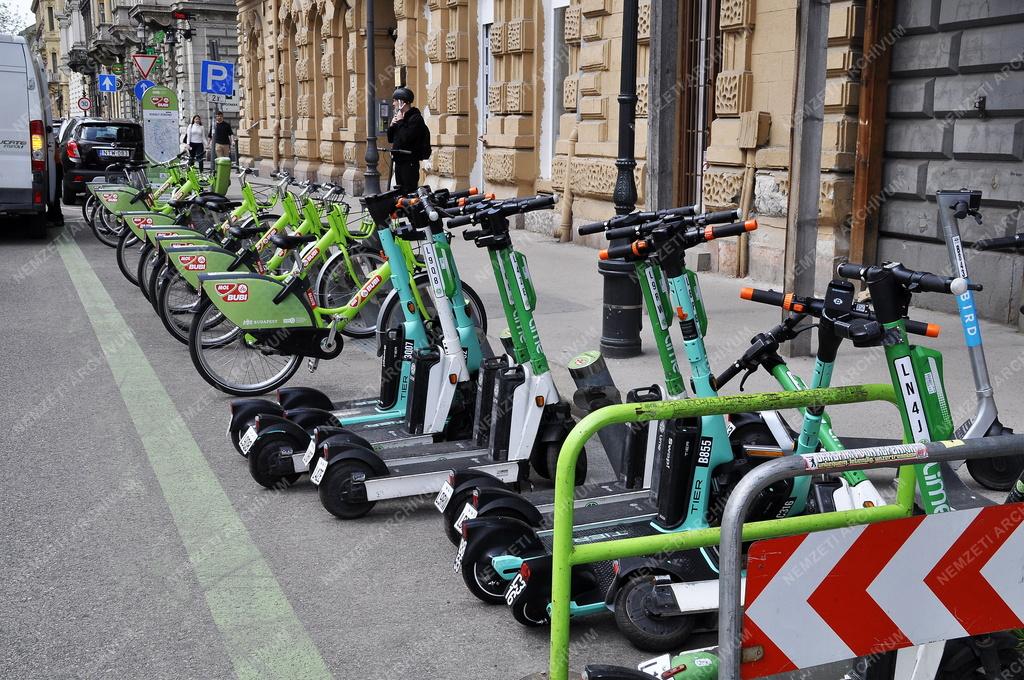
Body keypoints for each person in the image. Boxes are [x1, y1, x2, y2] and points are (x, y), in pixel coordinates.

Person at [386, 87, 430, 194]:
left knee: (409, 191)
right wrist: (392, 126)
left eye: (395, 100)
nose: (393, 103)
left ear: (402, 101)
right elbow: (391, 139)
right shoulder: (400, 117)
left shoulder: (415, 118)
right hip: (399, 161)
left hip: (409, 162)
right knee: (400, 191)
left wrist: (400, 122)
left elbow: (407, 138)